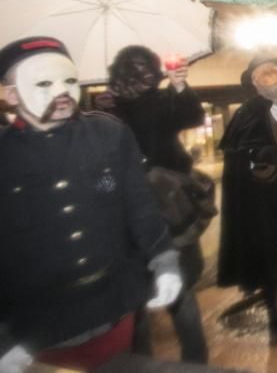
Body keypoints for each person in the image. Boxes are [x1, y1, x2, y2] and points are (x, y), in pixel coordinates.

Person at [0, 37, 181, 373]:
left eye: (69, 80)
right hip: (37, 330)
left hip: (118, 306)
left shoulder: (109, 134)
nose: (62, 91)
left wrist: (164, 258)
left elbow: (139, 207)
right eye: (43, 83)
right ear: (11, 95)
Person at [99, 46, 208, 362]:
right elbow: (193, 116)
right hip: (163, 208)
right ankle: (194, 363)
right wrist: (177, 86)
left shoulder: (107, 108)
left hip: (133, 212)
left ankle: (145, 363)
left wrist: (177, 86)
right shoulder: (121, 108)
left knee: (144, 299)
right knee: (180, 292)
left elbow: (192, 116)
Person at [217, 55, 277, 335]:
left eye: (275, 73)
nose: (272, 79)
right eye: (264, 75)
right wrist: (263, 154)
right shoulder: (245, 113)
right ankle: (275, 313)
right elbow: (238, 157)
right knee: (270, 254)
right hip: (265, 196)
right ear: (254, 81)